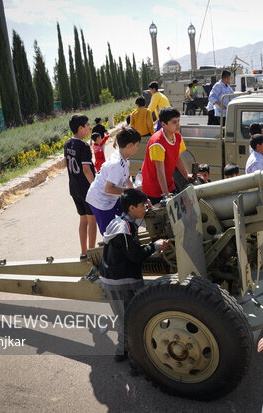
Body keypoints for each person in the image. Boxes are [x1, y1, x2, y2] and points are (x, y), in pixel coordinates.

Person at [100, 189, 169, 361]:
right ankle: (135, 360)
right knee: (132, 319)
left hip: (110, 278)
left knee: (122, 318)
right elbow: (135, 255)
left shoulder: (119, 222)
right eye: (142, 206)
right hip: (120, 281)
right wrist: (155, 246)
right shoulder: (126, 228)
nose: (145, 209)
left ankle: (122, 351)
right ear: (131, 208)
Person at [86, 126, 141, 234]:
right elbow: (108, 188)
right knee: (111, 233)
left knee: (130, 213)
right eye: (137, 145)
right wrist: (129, 192)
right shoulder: (117, 164)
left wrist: (134, 189)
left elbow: (126, 178)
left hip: (112, 197)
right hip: (100, 200)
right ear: (129, 145)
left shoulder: (124, 157)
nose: (138, 148)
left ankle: (130, 238)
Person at [141, 107, 190, 204]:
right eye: (174, 122)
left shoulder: (177, 136)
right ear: (163, 124)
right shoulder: (157, 142)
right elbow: (160, 170)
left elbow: (178, 158)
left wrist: (187, 175)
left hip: (168, 184)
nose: (178, 125)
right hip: (153, 189)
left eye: (178, 121)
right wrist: (166, 194)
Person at [64, 113, 97, 259]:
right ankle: (92, 253)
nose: (89, 127)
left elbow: (66, 164)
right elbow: (86, 169)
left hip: (74, 187)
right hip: (86, 189)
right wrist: (95, 187)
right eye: (87, 125)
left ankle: (83, 252)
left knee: (82, 219)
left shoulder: (67, 143)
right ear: (80, 128)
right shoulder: (83, 145)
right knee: (92, 220)